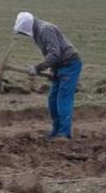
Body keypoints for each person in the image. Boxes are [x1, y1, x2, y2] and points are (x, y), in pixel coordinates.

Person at [14, 11, 83, 139]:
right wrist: (51, 70)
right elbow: (51, 54)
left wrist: (38, 68)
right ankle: (56, 131)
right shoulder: (37, 33)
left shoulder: (46, 30)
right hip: (59, 66)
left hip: (70, 64)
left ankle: (64, 134)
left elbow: (55, 53)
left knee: (63, 99)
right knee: (52, 99)